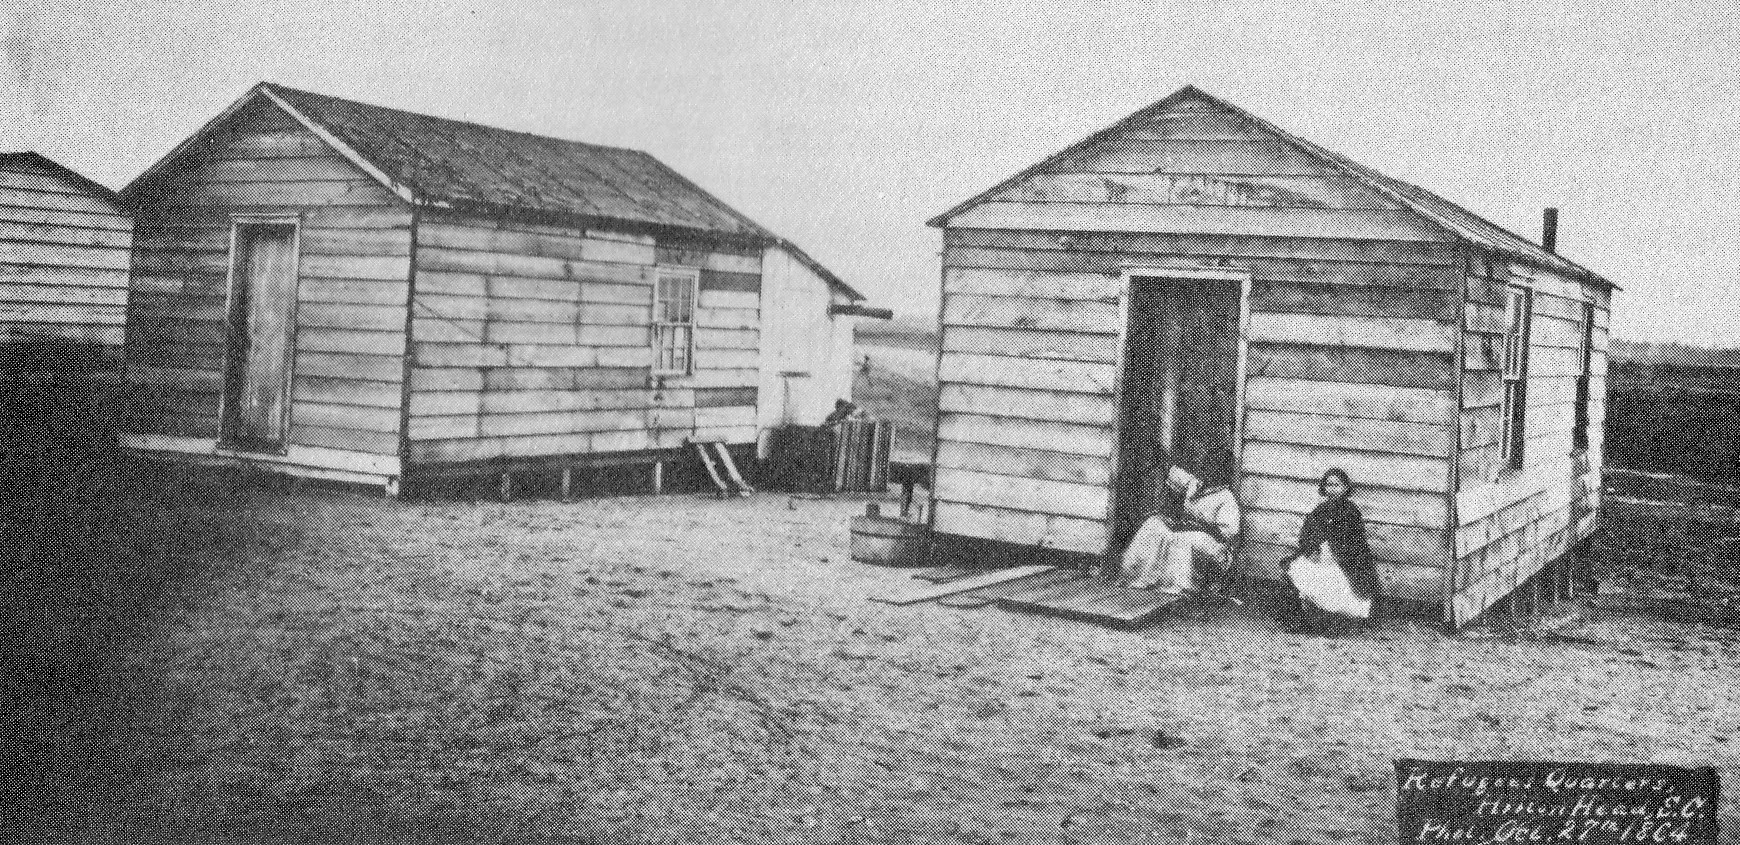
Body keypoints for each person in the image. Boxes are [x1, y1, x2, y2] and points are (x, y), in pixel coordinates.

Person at [1121, 455, 1243, 595]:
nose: (1207, 471)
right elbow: (1172, 471)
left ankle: (1182, 587)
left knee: (1188, 539)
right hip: (1189, 530)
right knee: (1153, 523)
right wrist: (1159, 458)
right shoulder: (1194, 484)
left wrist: (1192, 526)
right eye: (1206, 466)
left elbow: (1226, 535)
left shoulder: (1226, 498)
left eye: (1214, 468)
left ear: (1222, 472)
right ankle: (1136, 574)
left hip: (1215, 547)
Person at [1281, 467, 1382, 632]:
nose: (1332, 489)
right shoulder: (1320, 510)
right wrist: (1313, 550)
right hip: (1321, 556)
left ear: (1345, 488)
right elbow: (1306, 534)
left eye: (1337, 485)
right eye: (1329, 485)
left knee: (1335, 581)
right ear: (1324, 487)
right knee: (1299, 569)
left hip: (1345, 560)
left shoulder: (1351, 511)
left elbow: (1355, 541)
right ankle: (1309, 620)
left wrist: (1337, 554)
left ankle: (1335, 623)